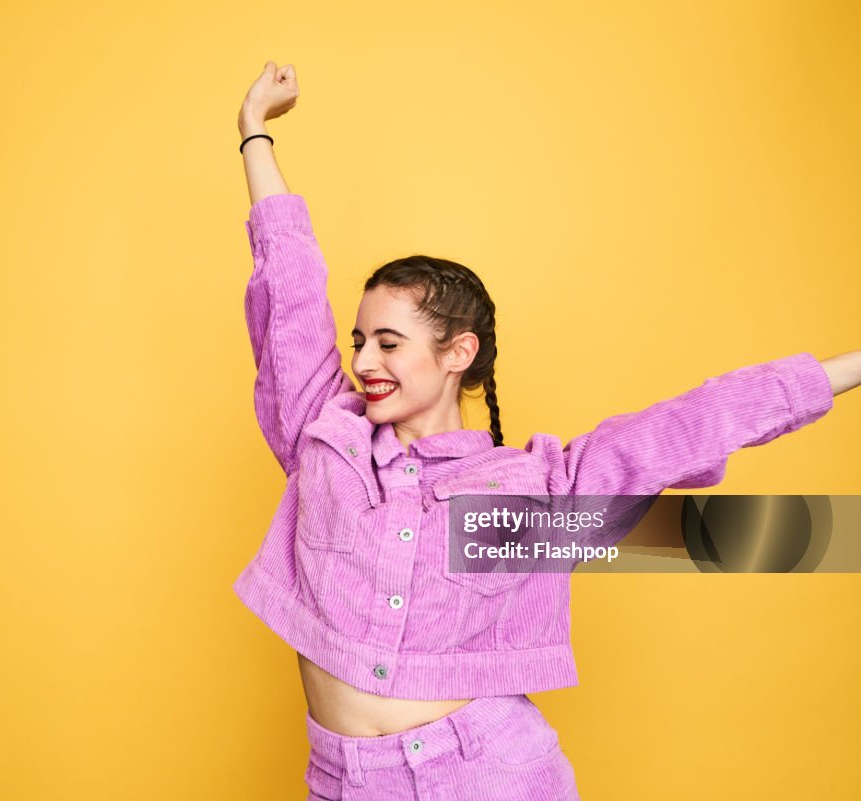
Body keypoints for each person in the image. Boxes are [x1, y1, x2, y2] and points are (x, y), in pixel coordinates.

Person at [233, 61, 861, 801]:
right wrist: (255, 135)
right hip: (342, 781)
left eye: (390, 343)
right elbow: (292, 285)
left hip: (483, 775)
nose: (364, 360)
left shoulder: (529, 495)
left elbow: (691, 424)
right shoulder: (324, 434)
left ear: (457, 354)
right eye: (360, 339)